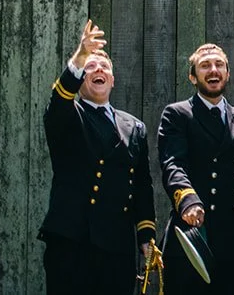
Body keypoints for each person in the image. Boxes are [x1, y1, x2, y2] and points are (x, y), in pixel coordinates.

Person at [38, 19, 156, 294]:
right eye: (90, 67)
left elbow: (141, 184)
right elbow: (59, 100)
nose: (98, 69)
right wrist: (80, 56)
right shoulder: (68, 114)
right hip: (73, 241)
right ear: (81, 80)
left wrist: (146, 235)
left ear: (112, 80)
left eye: (104, 67)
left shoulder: (134, 126)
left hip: (116, 246)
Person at [158, 43, 234, 292]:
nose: (213, 70)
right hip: (195, 237)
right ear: (193, 76)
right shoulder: (177, 115)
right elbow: (173, 164)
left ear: (228, 74)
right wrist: (187, 199)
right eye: (205, 65)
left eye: (219, 64)